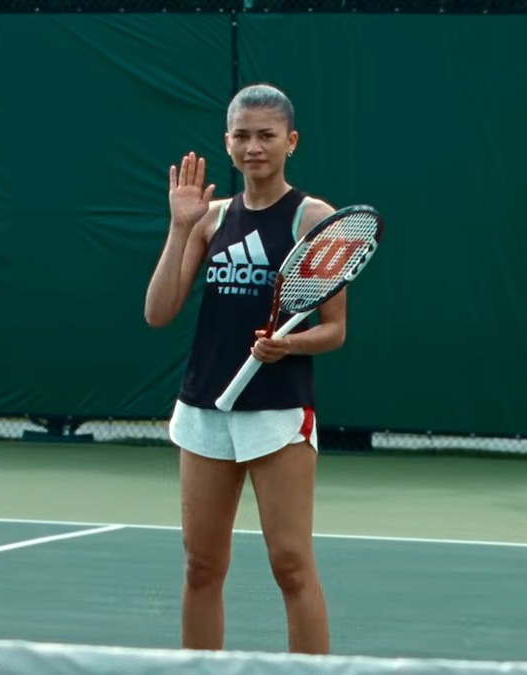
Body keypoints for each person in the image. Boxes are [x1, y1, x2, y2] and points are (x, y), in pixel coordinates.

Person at [143, 83, 345, 655]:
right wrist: (180, 227)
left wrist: (288, 347)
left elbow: (334, 329)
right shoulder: (207, 218)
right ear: (227, 144)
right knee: (202, 566)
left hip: (277, 411)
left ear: (291, 142)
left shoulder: (314, 217)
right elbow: (158, 312)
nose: (254, 147)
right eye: (242, 136)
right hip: (204, 408)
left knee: (290, 565)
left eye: (266, 136)